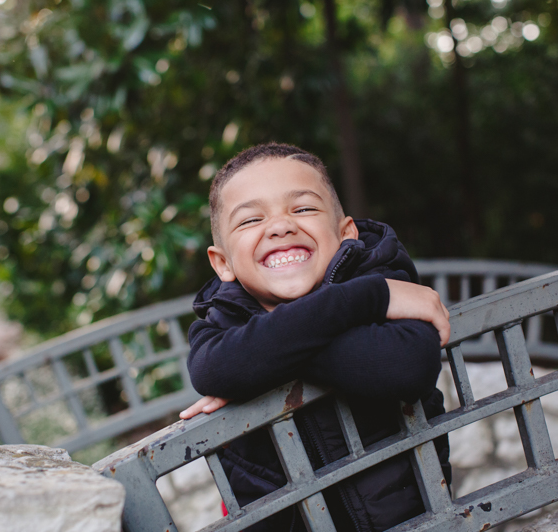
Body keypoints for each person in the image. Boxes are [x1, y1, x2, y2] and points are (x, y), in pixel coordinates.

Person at [179, 143, 452, 532]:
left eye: (303, 208)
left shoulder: (380, 269)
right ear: (222, 263)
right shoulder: (376, 293)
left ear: (346, 233)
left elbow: (405, 367)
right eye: (250, 220)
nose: (279, 225)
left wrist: (261, 356)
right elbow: (213, 370)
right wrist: (367, 300)